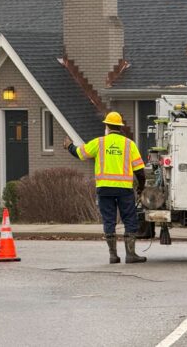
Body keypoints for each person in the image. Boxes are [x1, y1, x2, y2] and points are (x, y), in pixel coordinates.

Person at [63, 111, 147, 264]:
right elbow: (140, 171)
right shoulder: (129, 144)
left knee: (109, 221)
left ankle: (113, 255)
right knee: (130, 220)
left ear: (107, 126)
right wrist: (141, 188)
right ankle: (130, 255)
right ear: (120, 127)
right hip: (124, 190)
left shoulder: (99, 142)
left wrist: (69, 146)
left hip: (104, 189)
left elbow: (80, 153)